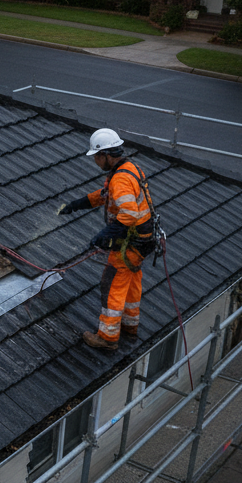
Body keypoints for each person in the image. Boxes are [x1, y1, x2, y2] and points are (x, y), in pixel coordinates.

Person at [58, 128, 155, 351]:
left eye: (96, 157)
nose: (96, 162)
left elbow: (128, 214)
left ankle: (107, 337)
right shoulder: (129, 169)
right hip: (143, 242)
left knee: (111, 285)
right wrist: (76, 205)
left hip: (129, 244)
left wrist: (105, 235)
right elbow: (106, 196)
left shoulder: (120, 178)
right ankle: (130, 327)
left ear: (106, 155)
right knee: (131, 283)